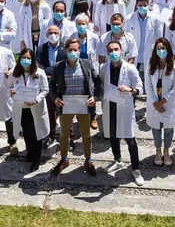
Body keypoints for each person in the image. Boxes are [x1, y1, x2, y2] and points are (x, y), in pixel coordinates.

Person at [51, 36, 101, 176]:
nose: (73, 52)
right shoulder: (59, 66)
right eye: (70, 50)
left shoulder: (87, 64)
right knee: (64, 134)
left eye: (75, 50)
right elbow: (52, 84)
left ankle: (88, 160)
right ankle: (64, 159)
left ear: (79, 50)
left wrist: (95, 97)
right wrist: (55, 98)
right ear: (66, 50)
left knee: (86, 134)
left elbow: (97, 81)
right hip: (65, 105)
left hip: (83, 104)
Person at [99, 40, 144, 185]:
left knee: (130, 139)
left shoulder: (130, 68)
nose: (113, 53)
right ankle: (117, 160)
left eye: (116, 49)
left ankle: (136, 169)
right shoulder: (103, 68)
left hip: (124, 108)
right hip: (110, 106)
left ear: (121, 50)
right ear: (107, 52)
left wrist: (129, 89)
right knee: (113, 137)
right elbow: (101, 83)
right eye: (110, 50)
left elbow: (140, 88)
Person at [9, 48, 50, 171]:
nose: (26, 60)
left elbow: (45, 90)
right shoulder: (14, 73)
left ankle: (36, 159)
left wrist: (36, 100)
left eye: (28, 58)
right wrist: (11, 92)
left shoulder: (40, 73)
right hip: (21, 108)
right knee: (26, 132)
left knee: (36, 133)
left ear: (32, 60)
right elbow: (8, 87)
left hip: (35, 107)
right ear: (19, 59)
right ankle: (30, 152)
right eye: (23, 58)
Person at [145, 37, 175, 166]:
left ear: (168, 49)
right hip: (154, 102)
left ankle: (166, 150)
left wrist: (162, 102)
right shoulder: (150, 64)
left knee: (168, 128)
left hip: (168, 102)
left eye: (164, 48)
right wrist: (155, 102)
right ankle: (158, 150)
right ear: (155, 50)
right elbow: (148, 85)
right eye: (159, 48)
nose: (161, 51)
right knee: (156, 128)